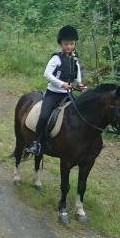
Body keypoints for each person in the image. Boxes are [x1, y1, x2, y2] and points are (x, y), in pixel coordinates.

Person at [26, 24, 86, 156]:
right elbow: (47, 74)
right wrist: (62, 84)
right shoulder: (56, 58)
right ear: (61, 44)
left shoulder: (75, 59)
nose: (69, 46)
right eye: (66, 44)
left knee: (81, 113)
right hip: (53, 94)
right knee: (44, 116)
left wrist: (80, 84)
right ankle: (36, 143)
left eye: (71, 44)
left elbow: (77, 76)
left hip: (68, 94)